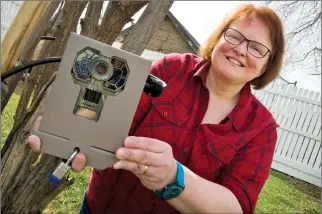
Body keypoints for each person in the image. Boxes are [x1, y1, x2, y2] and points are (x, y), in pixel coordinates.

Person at [28, 3, 285, 214]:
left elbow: (236, 207)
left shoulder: (261, 129)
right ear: (219, 38)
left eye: (257, 48)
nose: (240, 49)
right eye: (235, 35)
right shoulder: (171, 71)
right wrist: (69, 131)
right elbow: (112, 125)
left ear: (267, 65)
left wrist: (173, 177)